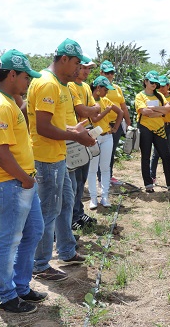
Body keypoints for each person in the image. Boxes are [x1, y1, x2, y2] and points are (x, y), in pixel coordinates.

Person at [27, 38, 95, 282]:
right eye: (76, 63)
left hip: (57, 156)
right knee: (48, 210)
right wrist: (74, 135)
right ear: (63, 59)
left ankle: (66, 250)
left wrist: (72, 129)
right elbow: (43, 127)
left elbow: (52, 123)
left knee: (66, 202)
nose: (79, 69)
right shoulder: (48, 84)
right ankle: (40, 264)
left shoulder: (59, 84)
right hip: (46, 159)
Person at [0, 50, 45, 313]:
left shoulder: (8, 99)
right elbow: (0, 153)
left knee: (34, 230)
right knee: (7, 239)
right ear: (12, 74)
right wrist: (25, 179)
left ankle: (20, 286)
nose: (28, 81)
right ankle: (5, 294)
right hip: (10, 183)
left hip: (22, 182)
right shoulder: (0, 105)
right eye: (26, 77)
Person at [68, 58, 101, 229]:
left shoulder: (86, 87)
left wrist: (92, 109)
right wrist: (93, 108)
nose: (87, 71)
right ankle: (73, 216)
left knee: (82, 179)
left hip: (86, 133)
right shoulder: (71, 85)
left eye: (89, 68)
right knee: (74, 179)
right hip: (75, 135)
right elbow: (82, 110)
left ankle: (78, 213)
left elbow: (94, 112)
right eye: (84, 67)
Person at [135, 71, 170, 192]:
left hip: (159, 128)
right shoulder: (140, 96)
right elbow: (144, 112)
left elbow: (168, 109)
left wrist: (154, 109)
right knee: (146, 156)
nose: (154, 84)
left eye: (156, 83)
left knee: (166, 155)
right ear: (145, 82)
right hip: (145, 128)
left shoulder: (160, 96)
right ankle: (148, 184)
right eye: (151, 82)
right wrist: (161, 111)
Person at [87, 76, 123, 209]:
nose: (107, 92)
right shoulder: (89, 101)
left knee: (105, 168)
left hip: (107, 136)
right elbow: (95, 119)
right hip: (94, 138)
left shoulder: (105, 100)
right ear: (98, 88)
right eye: (105, 89)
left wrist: (115, 128)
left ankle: (105, 196)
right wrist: (107, 111)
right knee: (92, 169)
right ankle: (93, 198)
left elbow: (120, 112)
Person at [100, 60, 131, 186]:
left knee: (111, 151)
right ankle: (99, 177)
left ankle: (109, 176)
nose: (109, 75)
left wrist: (128, 123)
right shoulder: (96, 87)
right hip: (102, 125)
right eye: (106, 73)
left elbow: (123, 107)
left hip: (116, 124)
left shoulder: (117, 88)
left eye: (111, 72)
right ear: (101, 73)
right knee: (99, 153)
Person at [150, 75, 170, 189]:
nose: (161, 88)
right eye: (160, 86)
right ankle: (151, 176)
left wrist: (166, 105)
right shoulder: (156, 97)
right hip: (159, 126)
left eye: (163, 86)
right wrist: (166, 106)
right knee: (156, 153)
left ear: (168, 86)